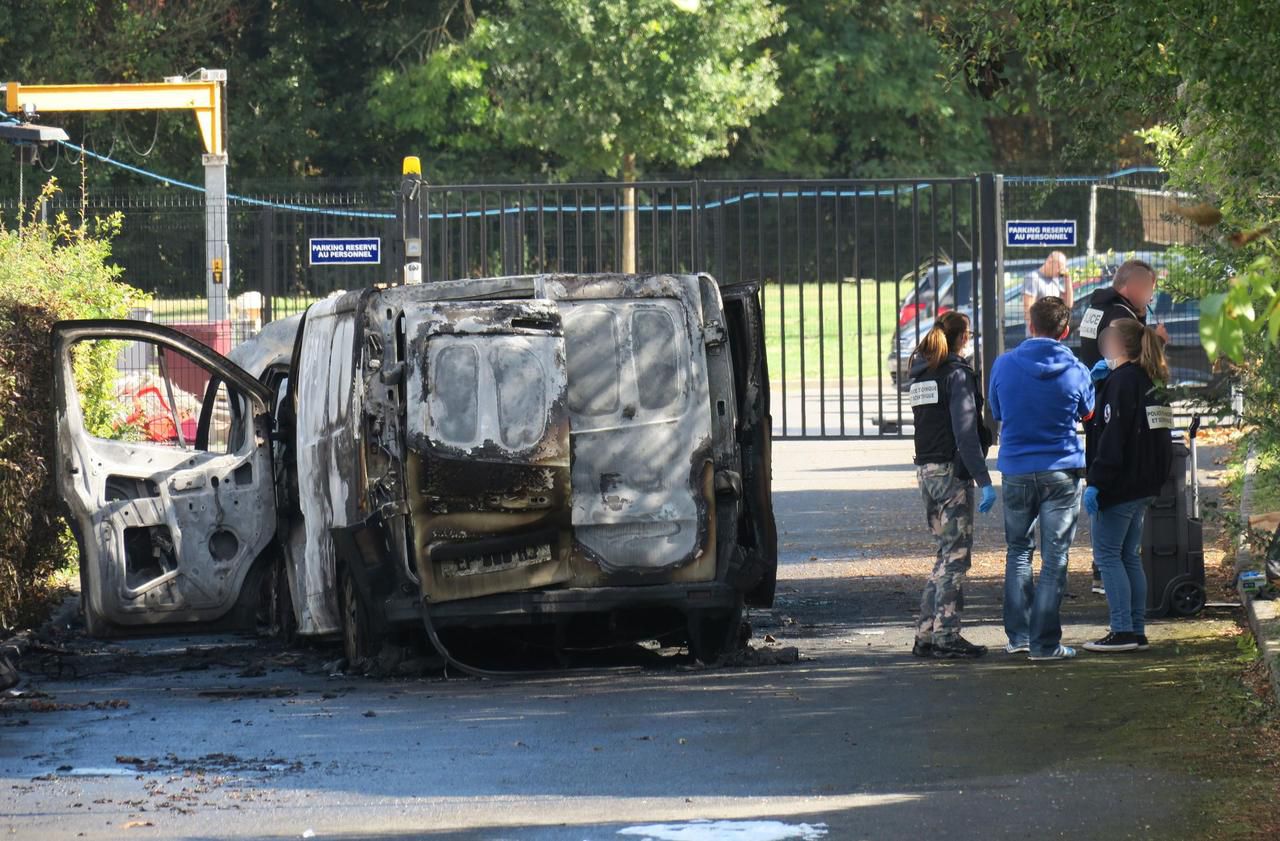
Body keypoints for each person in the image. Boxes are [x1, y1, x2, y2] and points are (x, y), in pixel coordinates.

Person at [989, 297, 1094, 661]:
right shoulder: (1076, 369)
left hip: (1017, 468)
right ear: (1065, 332)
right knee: (1055, 557)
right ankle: (1045, 644)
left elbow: (997, 411)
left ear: (1029, 325)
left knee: (1019, 551)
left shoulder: (1003, 365)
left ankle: (1018, 635)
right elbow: (1089, 413)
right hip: (1061, 470)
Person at [1078, 258, 1169, 594]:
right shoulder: (1121, 319)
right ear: (1133, 286)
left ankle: (1109, 581)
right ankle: (1106, 578)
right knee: (1120, 549)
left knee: (1119, 546)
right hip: (1116, 418)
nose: (1149, 298)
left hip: (1099, 406)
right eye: (1148, 290)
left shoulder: (1095, 308)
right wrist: (1156, 341)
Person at [908, 311, 995, 660]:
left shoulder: (923, 376)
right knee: (956, 559)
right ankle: (946, 635)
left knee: (944, 557)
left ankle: (926, 634)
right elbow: (965, 432)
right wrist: (984, 478)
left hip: (926, 471)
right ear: (963, 338)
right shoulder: (957, 376)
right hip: (950, 473)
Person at [1082, 320, 1173, 652]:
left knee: (1108, 555)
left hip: (1120, 484)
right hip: (1144, 484)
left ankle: (1122, 630)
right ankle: (1135, 629)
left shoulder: (1122, 382)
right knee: (1128, 556)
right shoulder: (1151, 380)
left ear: (1117, 346)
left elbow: (1112, 436)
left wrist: (1097, 481)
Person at [1078, 258, 1169, 368]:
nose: (1150, 298)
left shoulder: (1097, 307)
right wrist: (1158, 341)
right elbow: (1136, 362)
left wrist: (1140, 316)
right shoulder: (1121, 316)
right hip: (1116, 383)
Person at [1023, 251, 1072, 330]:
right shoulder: (1033, 278)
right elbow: (1028, 309)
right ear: (1050, 261)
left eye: (1063, 267)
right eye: (1059, 267)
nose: (1061, 271)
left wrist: (1068, 280)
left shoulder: (1055, 280)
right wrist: (1036, 332)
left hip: (1053, 332)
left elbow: (1068, 304)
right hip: (1038, 334)